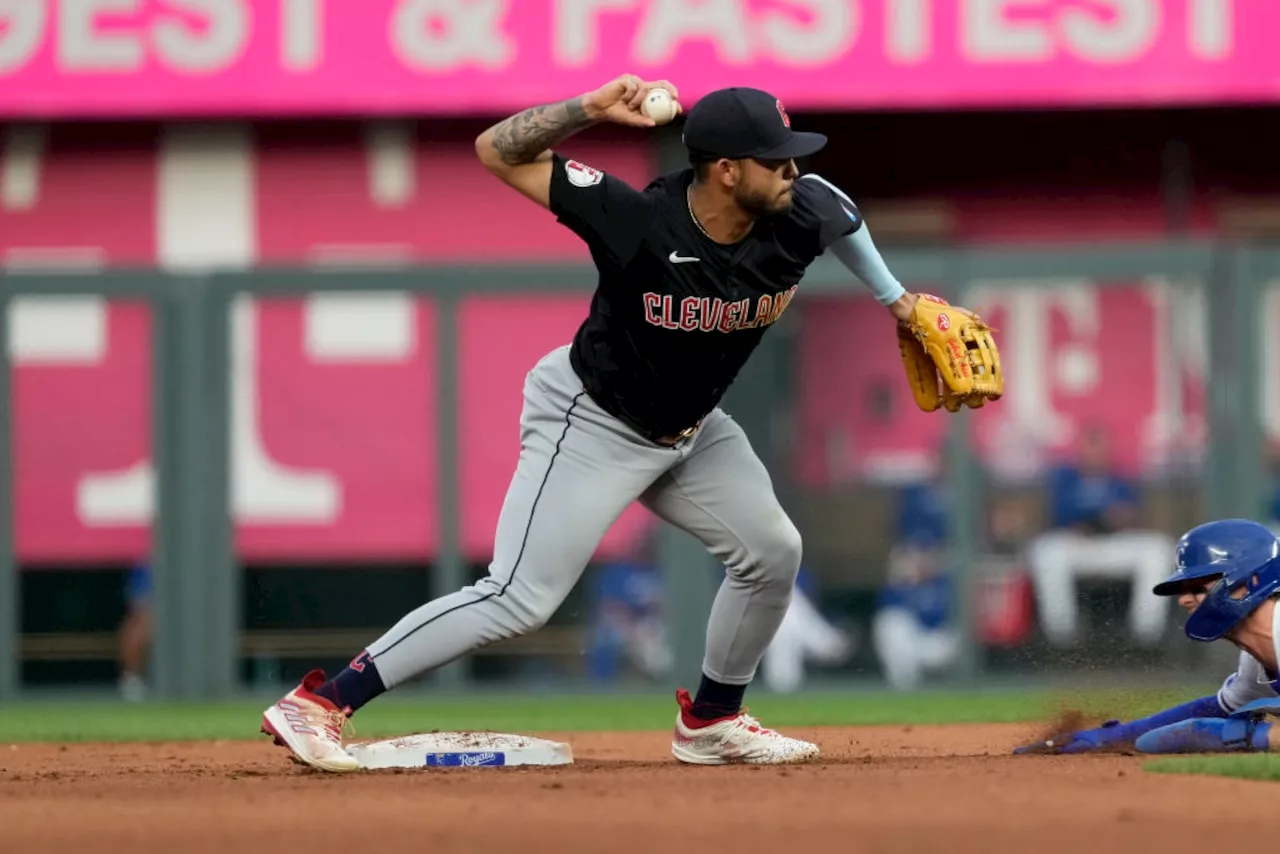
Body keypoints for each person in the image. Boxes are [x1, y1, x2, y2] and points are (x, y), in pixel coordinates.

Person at [261, 74, 984, 771]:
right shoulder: (637, 218)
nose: (795, 171)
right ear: (727, 171)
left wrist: (896, 300)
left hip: (692, 429)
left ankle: (711, 722)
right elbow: (496, 151)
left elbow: (842, 214)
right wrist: (588, 108)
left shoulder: (801, 209)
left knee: (771, 553)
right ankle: (320, 703)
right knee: (518, 597)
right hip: (593, 419)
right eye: (777, 160)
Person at [1013, 518, 1280, 756]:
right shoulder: (1255, 661)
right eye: (1183, 589)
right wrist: (1113, 737)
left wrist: (1243, 736)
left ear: (1251, 582)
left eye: (1198, 587)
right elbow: (1218, 708)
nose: (1184, 600)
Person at [1026, 425, 1173, 647]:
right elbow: (1057, 515)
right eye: (1091, 447)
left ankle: (1145, 635)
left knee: (1160, 548)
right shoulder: (1065, 478)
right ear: (1081, 451)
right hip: (1077, 545)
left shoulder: (1120, 479)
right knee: (1046, 551)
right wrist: (1085, 519)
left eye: (1101, 448)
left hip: (1114, 545)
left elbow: (1133, 514)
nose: (1096, 454)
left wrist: (1120, 517)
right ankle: (1062, 636)